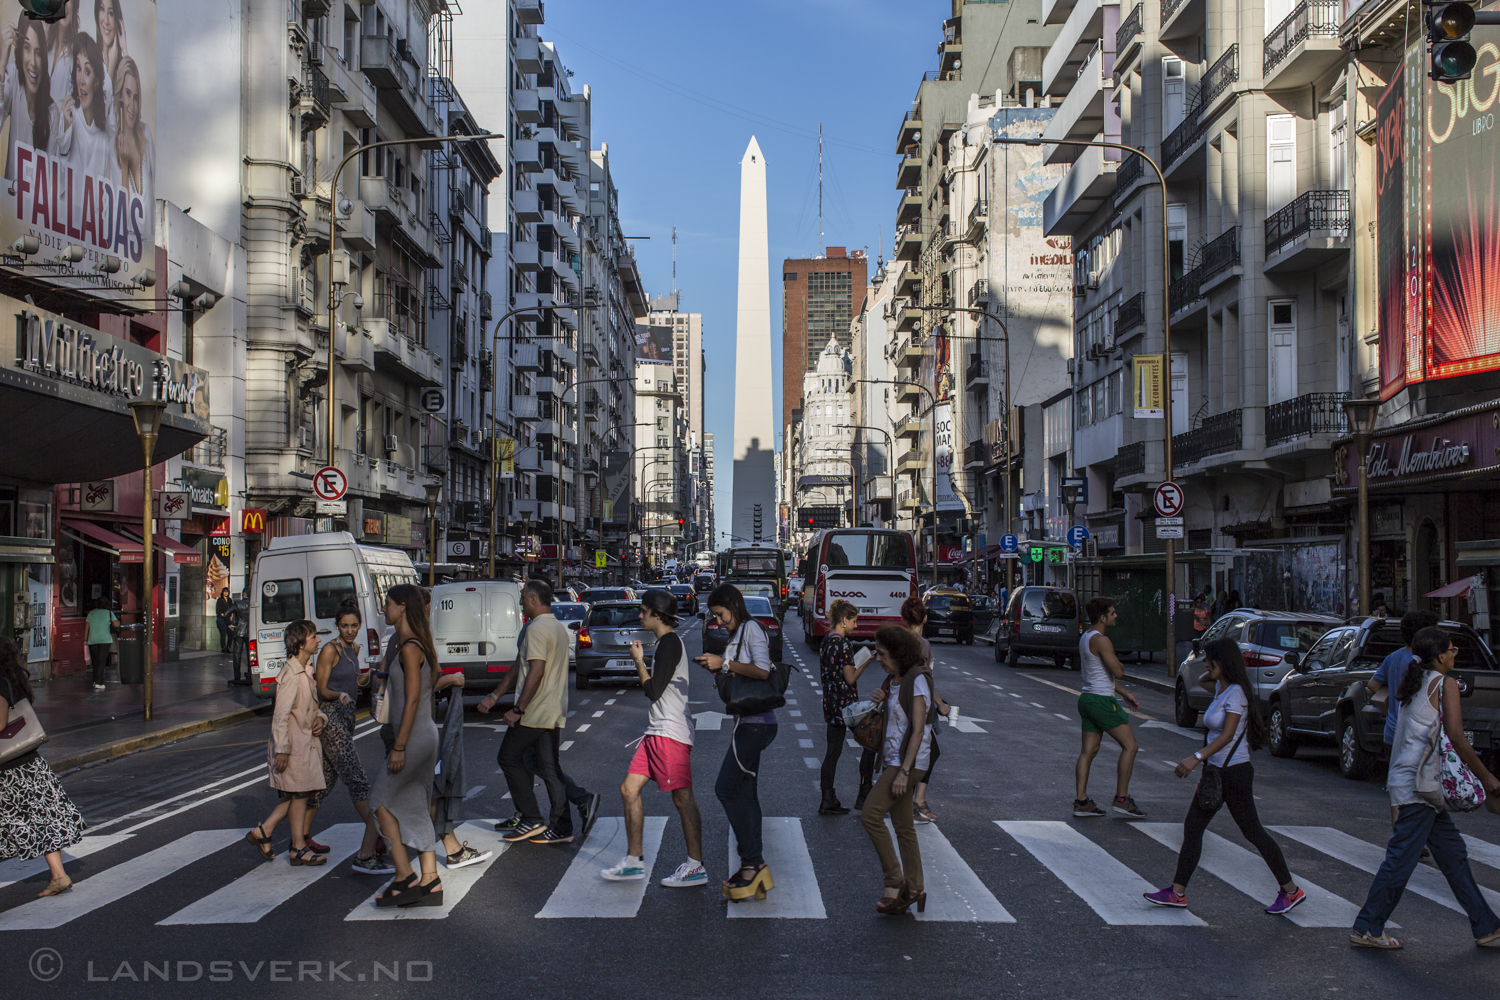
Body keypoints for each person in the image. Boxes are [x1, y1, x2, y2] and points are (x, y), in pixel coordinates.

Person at [1350, 627, 1500, 949]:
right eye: (1451, 649)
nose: (1455, 652)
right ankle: (1368, 928)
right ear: (1438, 655)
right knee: (1400, 860)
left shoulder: (1415, 680)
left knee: (1453, 855)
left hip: (1414, 782)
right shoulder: (1444, 684)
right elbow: (1457, 736)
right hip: (1420, 786)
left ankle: (1486, 925)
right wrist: (1486, 778)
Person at [1143, 638, 1305, 914]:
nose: (1205, 664)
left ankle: (1290, 891)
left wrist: (1195, 758)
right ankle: (1177, 891)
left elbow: (1228, 735)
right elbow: (1207, 679)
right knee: (1194, 828)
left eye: (1210, 660)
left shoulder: (1237, 694)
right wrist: (1218, 670)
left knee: (1253, 832)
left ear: (1223, 663)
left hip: (1234, 773)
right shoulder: (1222, 688)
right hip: (1217, 772)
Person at [601, 589, 706, 887]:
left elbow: (653, 690)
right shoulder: (666, 644)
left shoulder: (670, 644)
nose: (640, 615)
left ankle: (695, 865)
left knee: (683, 799)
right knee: (628, 789)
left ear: (657, 614)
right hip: (656, 732)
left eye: (644, 611)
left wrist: (638, 662)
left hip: (669, 733)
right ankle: (634, 861)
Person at [479, 596, 600, 840]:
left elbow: (535, 668)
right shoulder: (558, 628)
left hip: (535, 709)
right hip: (552, 707)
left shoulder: (534, 629)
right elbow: (520, 665)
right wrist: (495, 695)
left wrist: (518, 708)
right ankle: (563, 824)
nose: (521, 602)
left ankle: (531, 817)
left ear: (535, 599)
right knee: (545, 766)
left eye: (523, 597)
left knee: (509, 757)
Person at [696, 583, 777, 901]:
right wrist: (719, 670)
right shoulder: (740, 632)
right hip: (749, 722)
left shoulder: (752, 629)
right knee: (746, 794)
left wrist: (725, 664)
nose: (718, 622)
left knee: (726, 789)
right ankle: (754, 867)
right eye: (714, 617)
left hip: (756, 724)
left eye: (720, 614)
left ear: (733, 605)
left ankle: (752, 864)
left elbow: (763, 670)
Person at [367, 584, 443, 907]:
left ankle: (403, 875)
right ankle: (431, 880)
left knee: (379, 801)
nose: (384, 608)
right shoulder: (406, 643)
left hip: (412, 739)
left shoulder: (410, 647)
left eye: (387, 603)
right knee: (414, 803)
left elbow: (412, 699)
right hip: (423, 735)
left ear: (401, 607)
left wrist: (398, 746)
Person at [299, 600, 388, 875]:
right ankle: (378, 840)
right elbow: (321, 688)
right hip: (330, 718)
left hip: (346, 719)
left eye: (354, 626)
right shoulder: (330, 650)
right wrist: (339, 695)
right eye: (344, 626)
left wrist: (366, 679)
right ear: (337, 626)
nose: (349, 631)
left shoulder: (355, 649)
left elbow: (354, 681)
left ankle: (300, 838)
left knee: (324, 782)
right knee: (357, 780)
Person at [0, 637, 86, 897]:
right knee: (41, 818)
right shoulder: (15, 681)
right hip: (29, 765)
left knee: (25, 820)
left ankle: (60, 876)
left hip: (9, 771)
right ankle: (59, 876)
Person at [861, 625, 933, 915]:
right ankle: (915, 889)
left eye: (882, 654)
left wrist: (904, 771)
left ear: (898, 653)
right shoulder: (894, 679)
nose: (878, 658)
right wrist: (880, 701)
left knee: (871, 815)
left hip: (908, 762)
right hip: (896, 760)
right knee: (904, 827)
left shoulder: (916, 680)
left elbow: (917, 730)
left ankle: (895, 881)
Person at [244, 620, 328, 868]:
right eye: (314, 637)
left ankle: (265, 832)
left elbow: (311, 708)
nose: (318, 640)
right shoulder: (292, 674)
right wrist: (281, 749)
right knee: (299, 795)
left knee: (297, 794)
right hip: (294, 746)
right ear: (302, 643)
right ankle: (298, 848)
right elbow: (280, 715)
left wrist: (321, 719)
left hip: (303, 744)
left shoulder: (305, 669)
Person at [1074, 597, 1146, 818]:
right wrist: (1119, 663)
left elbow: (1103, 675)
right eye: (1113, 613)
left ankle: (1081, 802)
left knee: (1088, 752)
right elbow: (1118, 671)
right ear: (1103, 618)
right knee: (1131, 746)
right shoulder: (1102, 640)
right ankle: (1122, 799)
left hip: (1087, 698)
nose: (1116, 616)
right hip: (1102, 701)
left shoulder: (1086, 637)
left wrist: (1125, 695)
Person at [818, 599, 874, 816]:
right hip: (847, 706)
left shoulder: (826, 642)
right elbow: (850, 678)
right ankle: (865, 793)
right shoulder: (844, 645)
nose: (856, 625)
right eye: (854, 621)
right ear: (844, 620)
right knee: (871, 742)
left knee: (832, 752)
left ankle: (827, 798)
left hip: (830, 703)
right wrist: (865, 663)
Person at [1367, 610, 1441, 766]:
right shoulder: (1429, 662)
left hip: (1392, 732)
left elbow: (1373, 685)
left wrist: (1392, 703)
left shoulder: (1392, 658)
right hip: (1418, 737)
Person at [900, 595, 950, 824]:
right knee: (927, 752)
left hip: (899, 703)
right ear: (925, 618)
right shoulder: (923, 645)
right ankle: (916, 801)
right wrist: (941, 705)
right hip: (919, 706)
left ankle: (912, 800)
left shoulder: (898, 640)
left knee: (905, 751)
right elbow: (926, 681)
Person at [0, 14, 60, 181]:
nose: (33, 62)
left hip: (35, 206)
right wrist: (1, 66)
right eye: (26, 48)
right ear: (19, 51)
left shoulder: (52, 114)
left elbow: (48, 184)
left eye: (38, 52)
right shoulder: (12, 77)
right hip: (8, 206)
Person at [54, 32, 116, 183]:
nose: (81, 80)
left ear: (96, 82)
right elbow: (56, 182)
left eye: (87, 71)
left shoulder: (104, 134)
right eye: (78, 68)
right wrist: (66, 134)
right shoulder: (69, 118)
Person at [111, 56, 151, 202]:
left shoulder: (145, 135)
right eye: (127, 94)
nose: (132, 107)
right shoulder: (112, 147)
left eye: (135, 97)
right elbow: (122, 219)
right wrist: (125, 165)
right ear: (119, 94)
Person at [83, 598, 118, 692]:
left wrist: (85, 639)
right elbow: (117, 624)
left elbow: (87, 627)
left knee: (95, 661)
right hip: (105, 640)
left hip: (92, 640)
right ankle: (99, 682)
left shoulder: (91, 613)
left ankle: (95, 680)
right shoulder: (109, 613)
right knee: (101, 661)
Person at [228, 591, 251, 686]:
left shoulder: (237, 604)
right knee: (251, 654)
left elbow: (225, 613)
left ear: (244, 594)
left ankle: (237, 676)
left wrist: (230, 624)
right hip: (250, 632)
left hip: (239, 632)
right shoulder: (253, 603)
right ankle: (250, 674)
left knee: (237, 654)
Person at [215, 587, 232, 654]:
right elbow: (218, 610)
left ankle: (229, 647)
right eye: (224, 592)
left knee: (231, 634)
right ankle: (223, 648)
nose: (225, 593)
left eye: (227, 592)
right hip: (221, 618)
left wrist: (231, 615)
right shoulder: (220, 600)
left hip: (228, 618)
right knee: (223, 633)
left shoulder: (230, 600)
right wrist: (222, 614)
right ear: (222, 592)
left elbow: (231, 608)